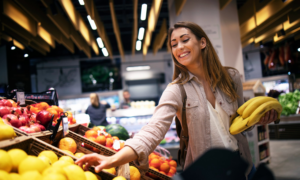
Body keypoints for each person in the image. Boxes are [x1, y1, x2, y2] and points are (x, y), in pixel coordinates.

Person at [76, 22, 278, 179]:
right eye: (174, 44)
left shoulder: (232, 78)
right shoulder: (176, 90)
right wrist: (113, 158)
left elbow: (241, 124)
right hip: (204, 173)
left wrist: (260, 119)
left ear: (202, 42)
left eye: (184, 40)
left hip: (241, 166)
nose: (179, 47)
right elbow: (153, 130)